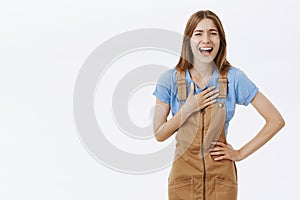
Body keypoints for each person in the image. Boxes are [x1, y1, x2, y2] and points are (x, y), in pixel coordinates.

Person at [152, 10, 285, 200]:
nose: (206, 39)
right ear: (188, 41)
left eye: (213, 33)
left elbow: (275, 121)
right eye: (198, 33)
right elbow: (159, 133)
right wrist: (189, 108)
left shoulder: (234, 78)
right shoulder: (169, 80)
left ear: (221, 40)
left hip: (221, 181)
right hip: (183, 181)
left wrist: (239, 153)